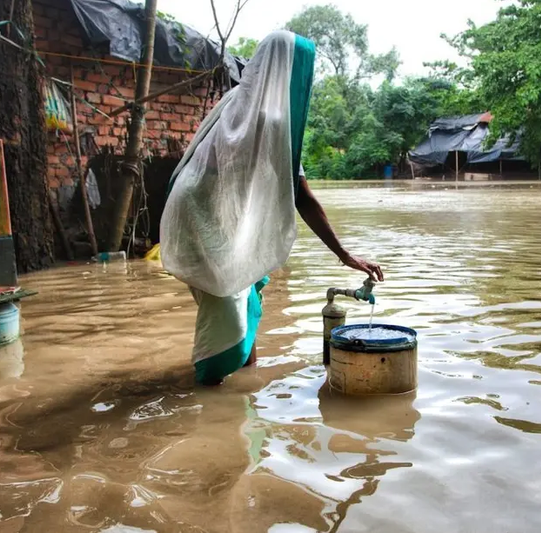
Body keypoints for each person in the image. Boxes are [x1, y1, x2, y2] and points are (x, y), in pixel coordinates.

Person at [159, 31, 383, 385]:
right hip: (201, 221)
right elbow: (302, 198)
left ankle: (247, 385)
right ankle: (209, 394)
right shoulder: (265, 123)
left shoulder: (235, 106)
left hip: (201, 216)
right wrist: (345, 255)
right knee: (225, 315)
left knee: (243, 297)